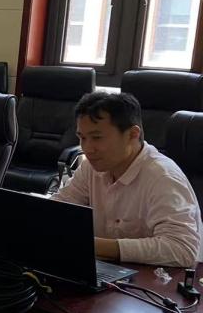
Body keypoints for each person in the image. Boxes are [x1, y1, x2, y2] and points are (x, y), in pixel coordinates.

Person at [53, 91, 202, 267]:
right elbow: (57, 210)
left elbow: (183, 249)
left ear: (132, 134)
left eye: (97, 138)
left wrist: (92, 245)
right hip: (111, 271)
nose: (87, 148)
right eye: (82, 138)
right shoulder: (91, 167)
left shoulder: (163, 177)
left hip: (162, 277)